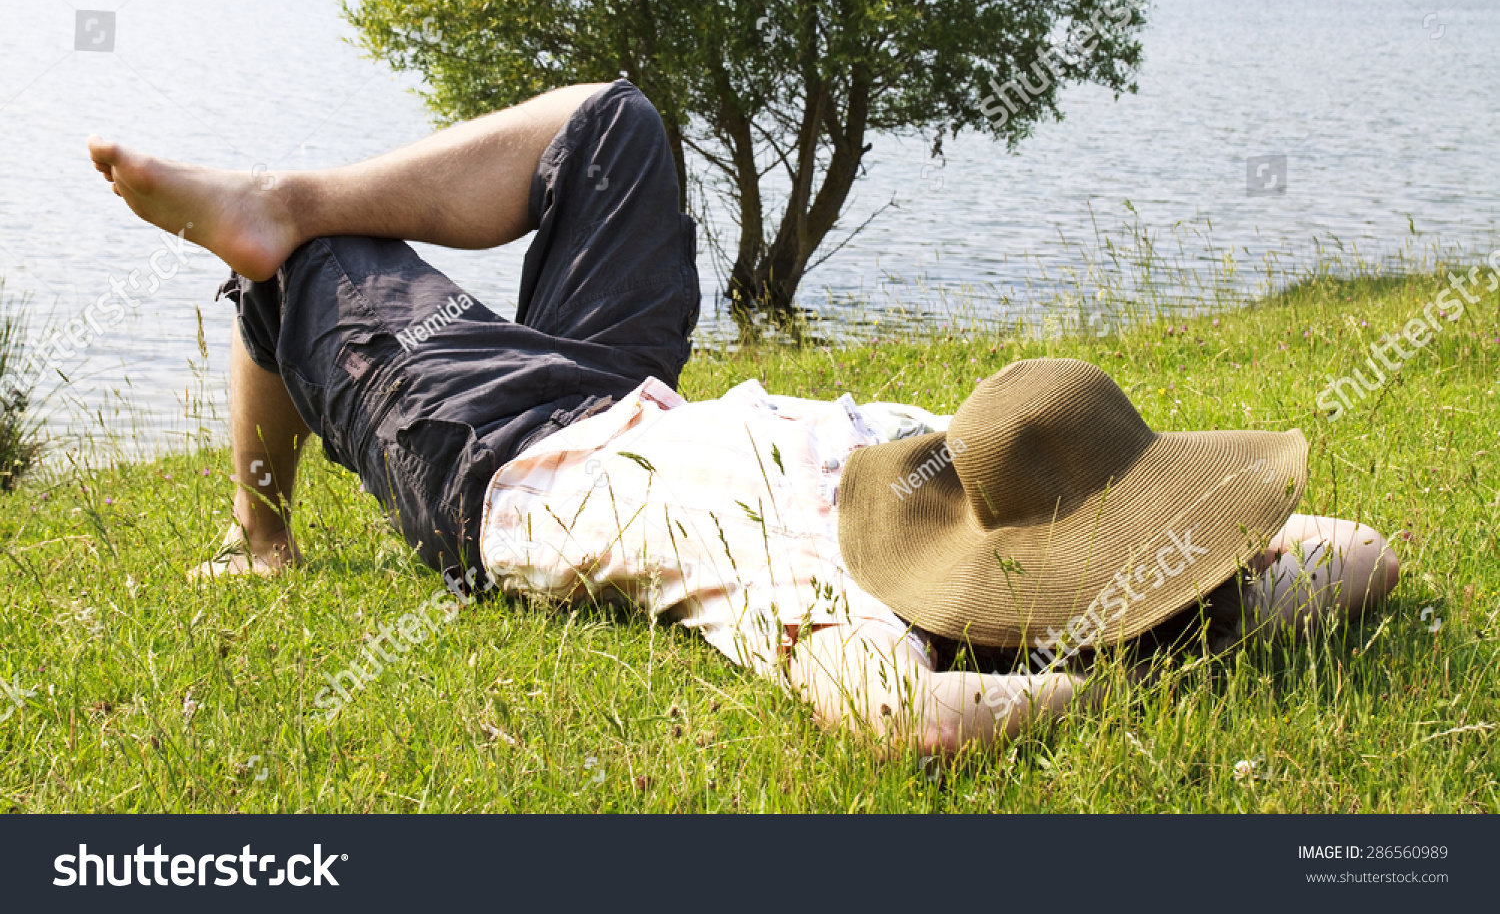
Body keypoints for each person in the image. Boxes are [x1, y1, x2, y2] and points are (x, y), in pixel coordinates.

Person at [87, 80, 1400, 757]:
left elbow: (906, 718)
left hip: (514, 463)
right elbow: (1361, 552)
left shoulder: (828, 575)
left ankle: (258, 523)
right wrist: (1167, 567)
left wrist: (1121, 669)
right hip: (621, 387)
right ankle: (294, 196)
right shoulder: (994, 465)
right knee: (611, 122)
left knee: (306, 265)